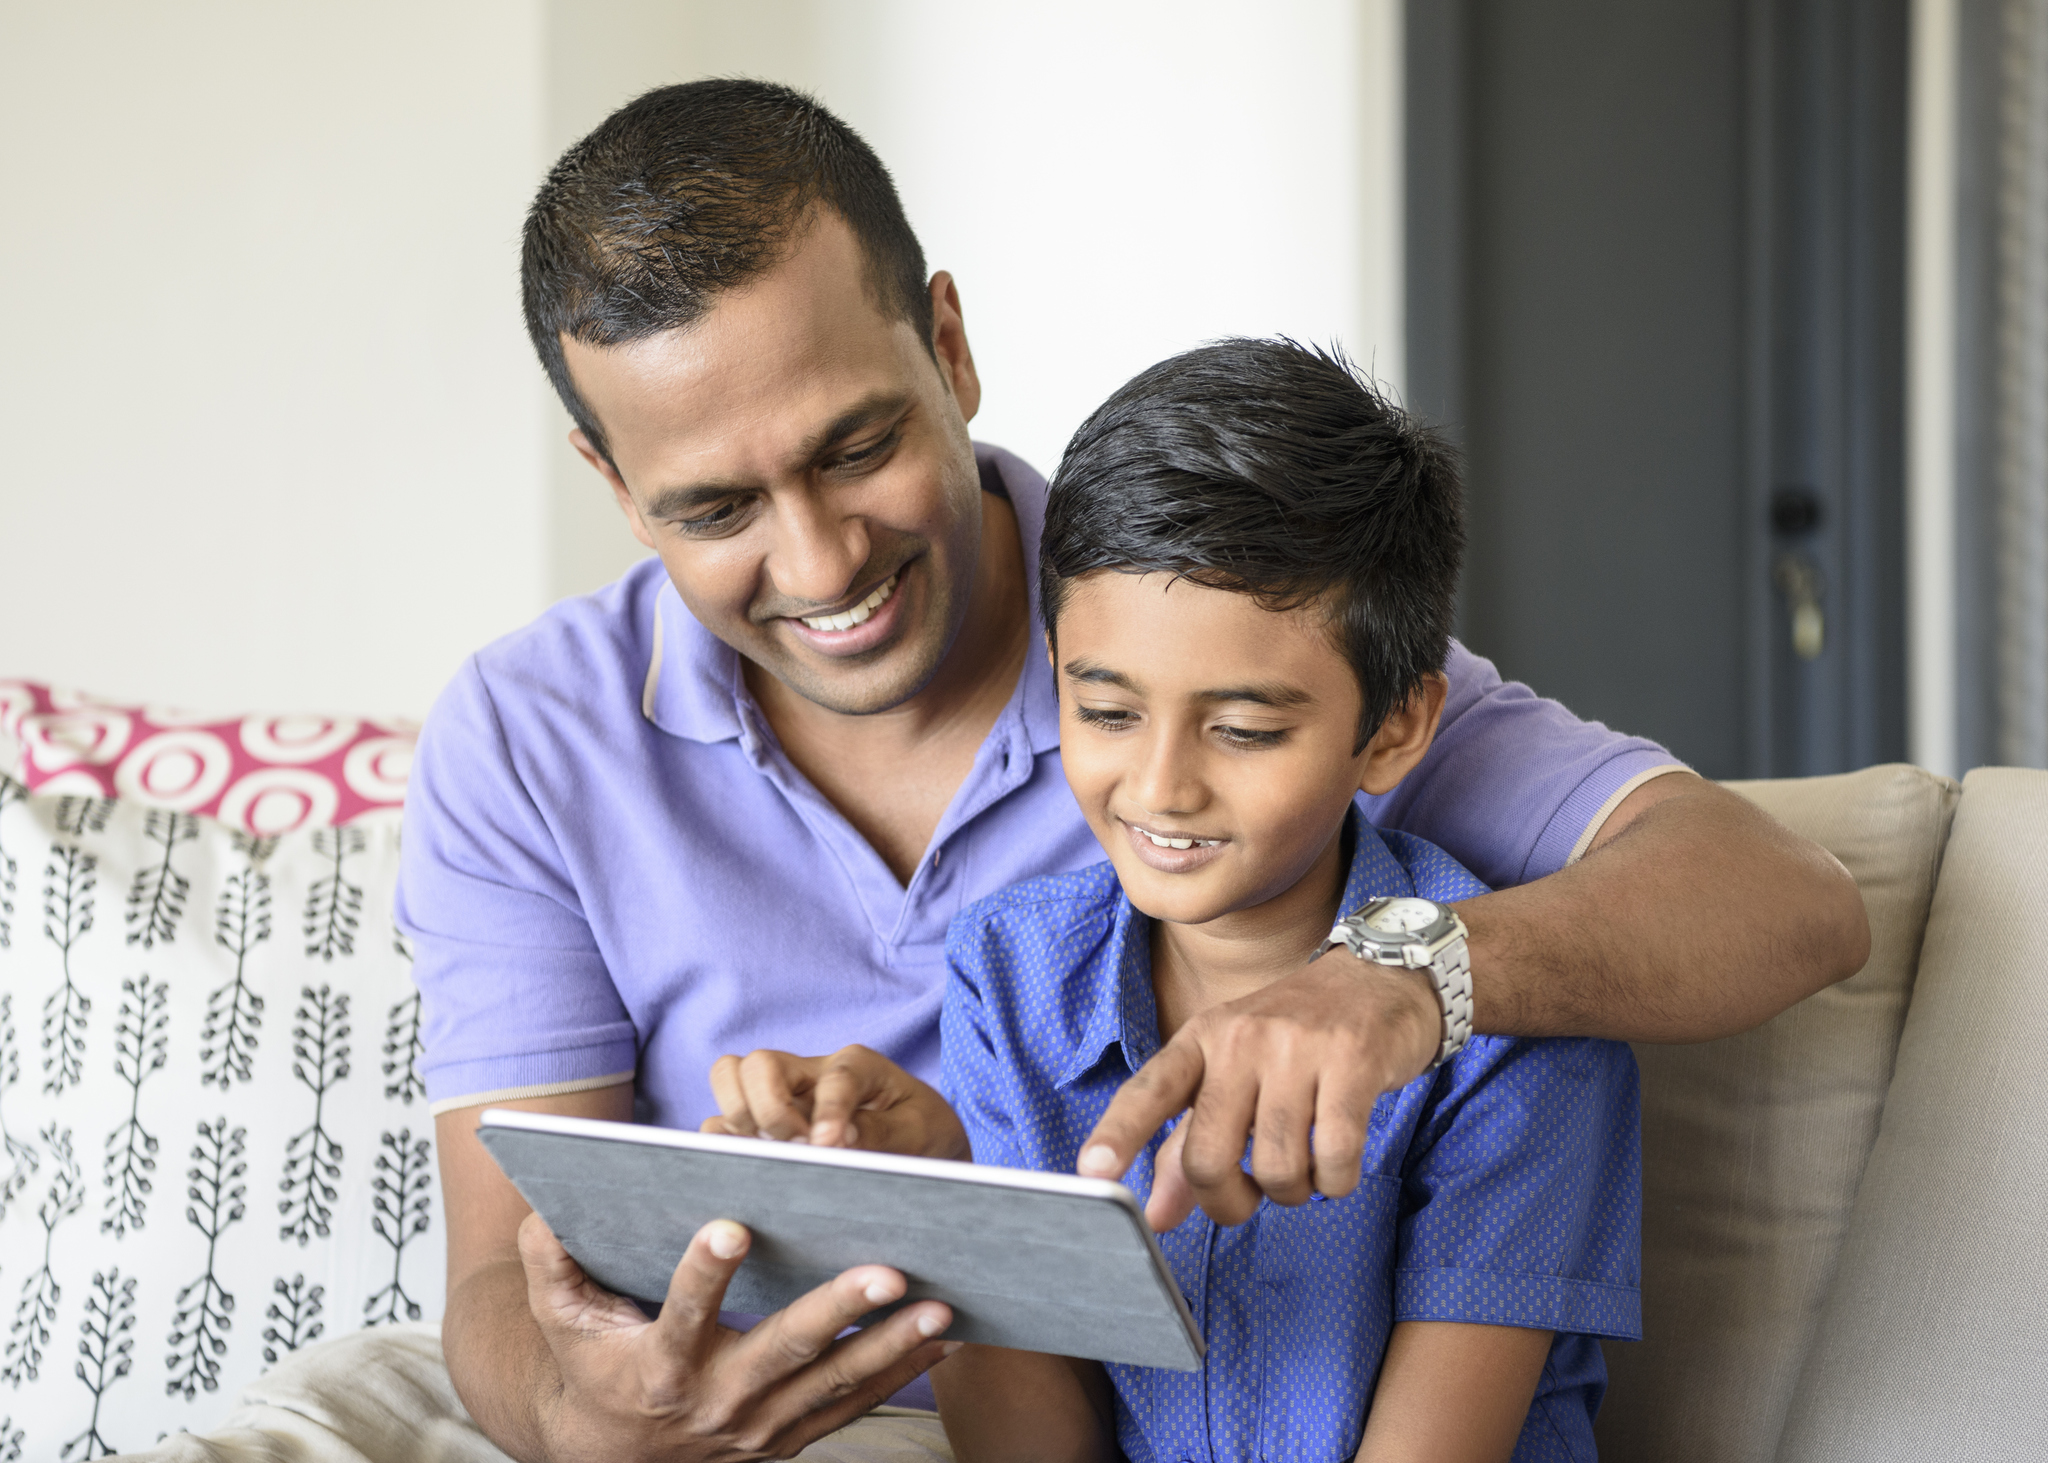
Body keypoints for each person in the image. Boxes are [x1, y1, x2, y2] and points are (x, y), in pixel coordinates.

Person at [399, 79, 1865, 1462]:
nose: (825, 558)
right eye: (715, 503)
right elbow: (493, 1282)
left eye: (856, 445)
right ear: (610, 477)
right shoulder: (532, 736)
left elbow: (1788, 902)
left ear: (950, 347)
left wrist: (1417, 976)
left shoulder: (1202, 600)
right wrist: (595, 1413)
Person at [932, 338, 1639, 1463]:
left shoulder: (1515, 1030)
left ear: (1394, 727)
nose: (1159, 784)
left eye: (1245, 728)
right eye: (1105, 712)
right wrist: (947, 1212)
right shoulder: (1005, 975)